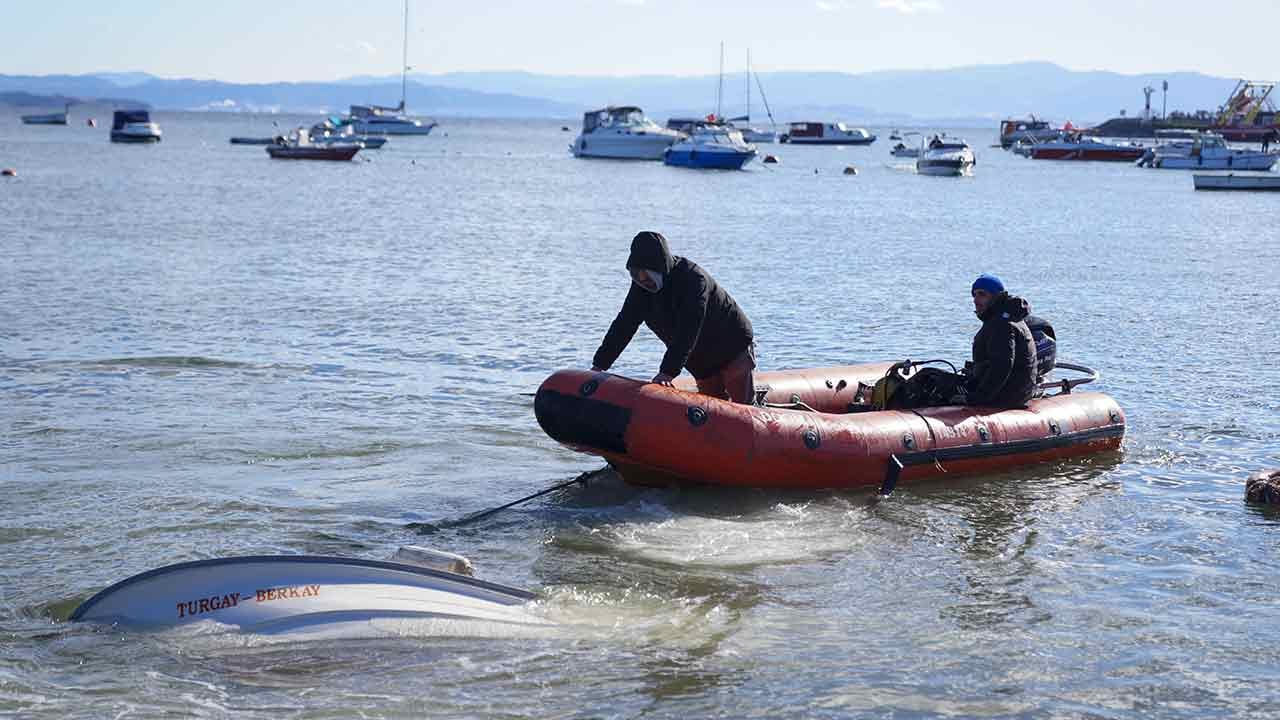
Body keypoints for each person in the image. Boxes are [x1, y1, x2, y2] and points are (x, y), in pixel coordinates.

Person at [591, 231, 756, 404]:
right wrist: (600, 364)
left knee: (742, 407)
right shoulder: (641, 289)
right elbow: (624, 325)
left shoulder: (693, 280)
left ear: (659, 267)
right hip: (701, 360)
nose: (642, 279)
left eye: (646, 274)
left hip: (732, 346)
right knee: (711, 409)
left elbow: (688, 330)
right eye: (636, 274)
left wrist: (667, 372)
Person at [962, 274, 1038, 408]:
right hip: (1011, 392)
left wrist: (976, 398)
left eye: (982, 294)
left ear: (995, 296)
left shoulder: (1002, 324)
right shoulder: (1002, 317)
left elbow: (1001, 366)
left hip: (1006, 396)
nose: (975, 300)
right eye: (974, 295)